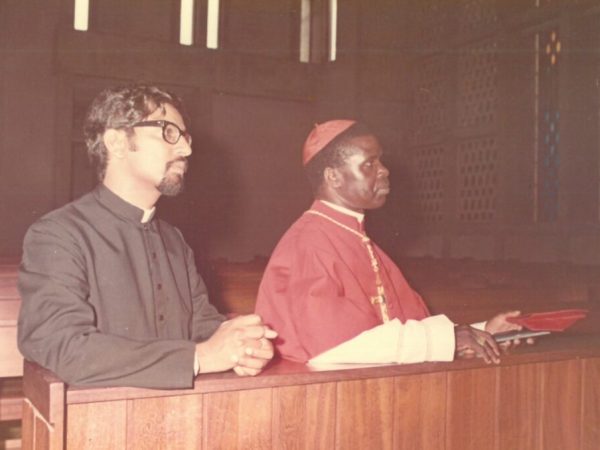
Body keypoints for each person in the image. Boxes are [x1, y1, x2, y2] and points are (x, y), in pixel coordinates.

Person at [17, 85, 276, 389]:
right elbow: (62, 346)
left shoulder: (174, 240)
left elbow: (202, 324)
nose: (186, 150)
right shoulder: (59, 234)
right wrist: (201, 357)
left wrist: (243, 346)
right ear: (117, 142)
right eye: (169, 133)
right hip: (101, 420)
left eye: (186, 137)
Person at [255, 120, 521, 365]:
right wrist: (448, 339)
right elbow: (336, 347)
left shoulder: (360, 241)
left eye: (380, 161)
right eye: (369, 164)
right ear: (333, 176)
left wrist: (485, 331)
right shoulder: (310, 243)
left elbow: (400, 331)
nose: (384, 170)